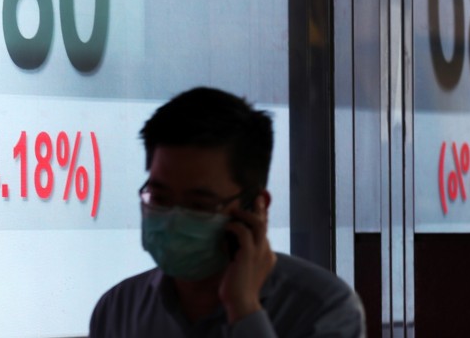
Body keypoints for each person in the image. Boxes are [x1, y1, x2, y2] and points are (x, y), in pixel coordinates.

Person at [90, 87, 365, 337]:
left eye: (199, 205)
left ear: (256, 207)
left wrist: (244, 309)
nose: (173, 219)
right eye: (160, 198)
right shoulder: (118, 308)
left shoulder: (324, 309)